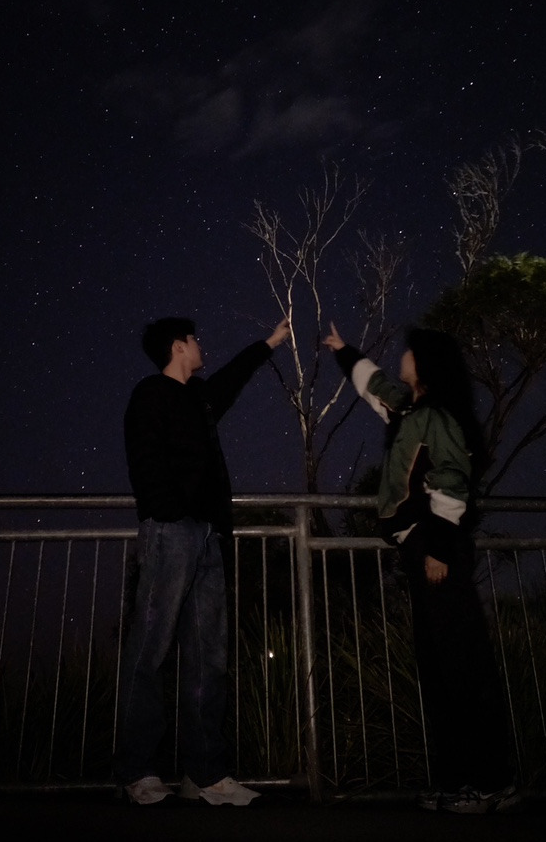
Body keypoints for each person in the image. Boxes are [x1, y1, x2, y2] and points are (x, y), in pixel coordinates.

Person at [322, 321, 518, 815]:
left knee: (462, 666)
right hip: (420, 547)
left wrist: (440, 550)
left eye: (409, 352)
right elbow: (375, 386)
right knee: (438, 669)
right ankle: (458, 781)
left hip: (436, 547)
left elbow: (451, 479)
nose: (402, 357)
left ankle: (492, 783)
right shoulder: (411, 409)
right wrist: (344, 351)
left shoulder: (437, 416)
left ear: (426, 363)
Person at [114, 313, 291, 806]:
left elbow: (232, 378)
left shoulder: (199, 396)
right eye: (193, 339)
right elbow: (143, 458)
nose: (200, 345)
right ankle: (136, 770)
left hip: (210, 535)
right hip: (171, 532)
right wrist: (168, 512)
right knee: (149, 651)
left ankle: (206, 774)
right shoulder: (150, 393)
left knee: (208, 656)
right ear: (178, 347)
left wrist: (270, 342)